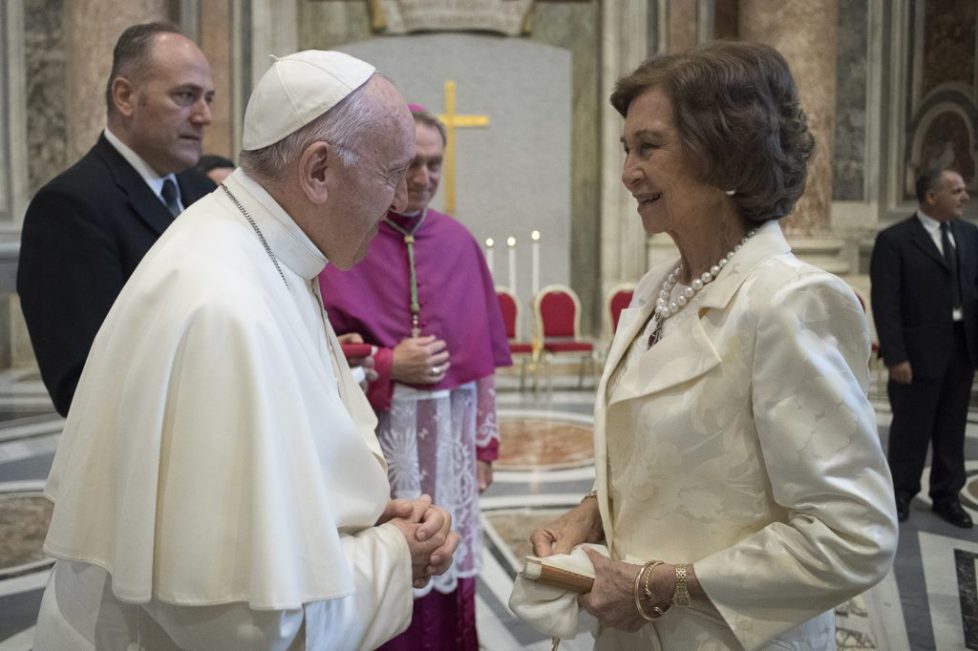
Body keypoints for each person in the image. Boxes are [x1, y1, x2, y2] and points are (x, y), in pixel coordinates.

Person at [33, 50, 460, 650]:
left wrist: (361, 521)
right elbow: (241, 625)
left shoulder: (261, 252)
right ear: (318, 170)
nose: (398, 202)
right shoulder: (223, 307)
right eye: (391, 172)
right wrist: (392, 557)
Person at [524, 41, 897, 650]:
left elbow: (853, 536)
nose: (627, 173)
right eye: (626, 150)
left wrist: (657, 586)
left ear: (727, 155)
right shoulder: (653, 292)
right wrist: (589, 513)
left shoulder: (790, 301)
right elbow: (658, 455)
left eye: (648, 147)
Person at [319, 105, 511, 650]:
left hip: (448, 441)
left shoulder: (459, 242)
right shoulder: (346, 242)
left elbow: (482, 362)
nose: (423, 178)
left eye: (434, 164)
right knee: (382, 565)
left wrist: (484, 447)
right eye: (411, 166)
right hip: (376, 442)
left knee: (447, 554)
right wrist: (385, 361)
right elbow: (316, 353)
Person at [17, 22, 216, 417]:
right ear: (125, 96)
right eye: (185, 96)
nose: (204, 116)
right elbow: (82, 383)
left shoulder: (206, 195)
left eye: (208, 98)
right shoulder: (69, 207)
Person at [870, 169, 976, 528]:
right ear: (932, 196)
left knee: (952, 426)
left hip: (962, 349)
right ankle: (900, 492)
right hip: (915, 354)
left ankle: (947, 495)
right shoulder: (895, 240)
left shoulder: (969, 235)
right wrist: (896, 355)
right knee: (910, 429)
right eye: (957, 190)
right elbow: (886, 303)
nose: (965, 196)